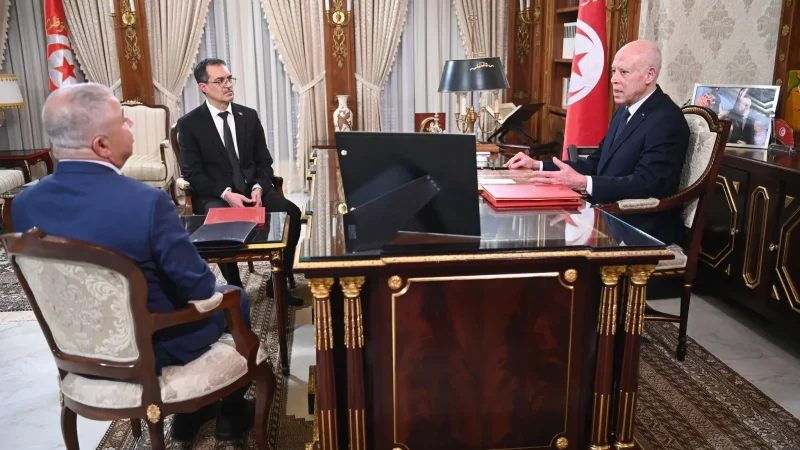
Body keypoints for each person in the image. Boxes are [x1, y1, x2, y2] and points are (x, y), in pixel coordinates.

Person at [12, 83, 254, 442]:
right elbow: (200, 288)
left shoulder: (23, 205)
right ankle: (230, 415)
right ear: (101, 145)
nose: (131, 126)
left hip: (76, 348)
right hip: (151, 347)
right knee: (235, 296)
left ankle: (191, 416)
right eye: (123, 121)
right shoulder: (147, 203)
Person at [505, 40, 690, 245]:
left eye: (624, 72)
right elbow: (595, 163)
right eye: (613, 71)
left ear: (650, 74)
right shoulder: (624, 112)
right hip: (607, 217)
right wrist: (538, 165)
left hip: (640, 229)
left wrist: (583, 183)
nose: (614, 79)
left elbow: (647, 184)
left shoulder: (667, 119)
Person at [178, 58, 302, 306]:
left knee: (292, 212)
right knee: (223, 225)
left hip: (252, 190)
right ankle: (236, 290)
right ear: (204, 87)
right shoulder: (190, 124)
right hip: (217, 195)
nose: (228, 85)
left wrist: (258, 187)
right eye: (220, 81)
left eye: (229, 79)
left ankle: (278, 281)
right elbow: (193, 174)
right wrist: (226, 193)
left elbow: (264, 162)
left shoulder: (248, 116)